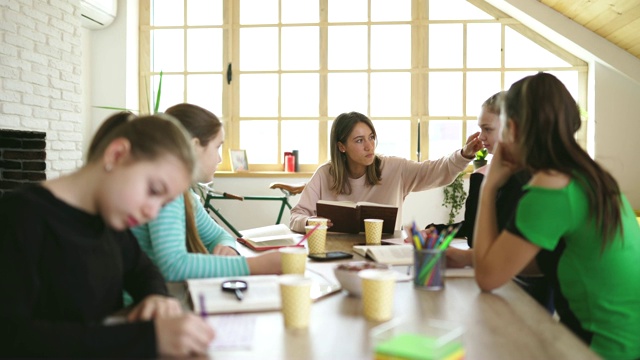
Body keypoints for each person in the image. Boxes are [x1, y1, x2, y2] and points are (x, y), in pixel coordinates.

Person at [0, 112, 215, 357]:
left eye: (163, 204)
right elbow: (10, 337)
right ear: (116, 155)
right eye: (154, 190)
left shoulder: (109, 220)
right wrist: (148, 338)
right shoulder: (20, 216)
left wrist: (155, 295)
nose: (152, 212)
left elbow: (143, 269)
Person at [473, 72, 640, 359]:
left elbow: (487, 278)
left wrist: (488, 188)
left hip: (603, 348)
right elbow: (542, 259)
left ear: (511, 127)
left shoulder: (550, 188)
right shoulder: (591, 175)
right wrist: (467, 257)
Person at [419, 92, 553, 311]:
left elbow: (486, 245)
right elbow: (476, 231)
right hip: (500, 285)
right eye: (480, 128)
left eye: (487, 129)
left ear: (513, 127)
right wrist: (440, 230)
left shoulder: (532, 180)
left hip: (522, 295)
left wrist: (486, 184)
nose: (480, 137)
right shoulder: (491, 174)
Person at [131, 103, 281, 281]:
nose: (219, 158)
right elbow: (173, 266)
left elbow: (219, 235)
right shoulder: (166, 194)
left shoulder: (186, 195)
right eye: (217, 147)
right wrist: (255, 265)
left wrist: (227, 247)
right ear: (194, 146)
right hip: (137, 305)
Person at [290, 111, 483, 233]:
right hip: (335, 253)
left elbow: (435, 171)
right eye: (359, 140)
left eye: (371, 137)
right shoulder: (325, 174)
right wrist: (309, 221)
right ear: (341, 147)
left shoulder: (394, 168)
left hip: (383, 255)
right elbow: (296, 216)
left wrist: (464, 154)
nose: (369, 146)